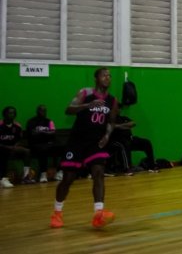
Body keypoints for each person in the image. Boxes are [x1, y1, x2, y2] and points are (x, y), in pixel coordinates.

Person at [51, 67, 119, 229]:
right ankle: (57, 212)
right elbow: (69, 109)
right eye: (104, 75)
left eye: (109, 76)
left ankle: (99, 214)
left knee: (98, 173)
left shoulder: (112, 100)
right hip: (77, 142)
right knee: (68, 179)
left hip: (96, 143)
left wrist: (107, 136)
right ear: (96, 78)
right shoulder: (85, 93)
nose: (107, 78)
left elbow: (111, 121)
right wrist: (88, 105)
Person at [26, 105, 64, 182]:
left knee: (64, 149)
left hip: (49, 143)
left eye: (44, 111)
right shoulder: (31, 122)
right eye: (41, 110)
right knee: (43, 150)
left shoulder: (49, 121)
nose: (43, 112)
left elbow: (53, 132)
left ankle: (59, 172)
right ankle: (43, 174)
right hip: (36, 144)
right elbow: (33, 133)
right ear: (37, 111)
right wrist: (47, 132)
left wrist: (41, 132)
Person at [1, 106, 32, 187]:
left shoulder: (17, 126)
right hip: (2, 147)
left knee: (27, 151)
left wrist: (15, 146)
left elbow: (19, 139)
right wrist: (7, 147)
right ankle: (3, 179)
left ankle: (25, 177)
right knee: (4, 152)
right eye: (10, 113)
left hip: (13, 147)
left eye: (13, 113)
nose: (12, 114)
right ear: (4, 114)